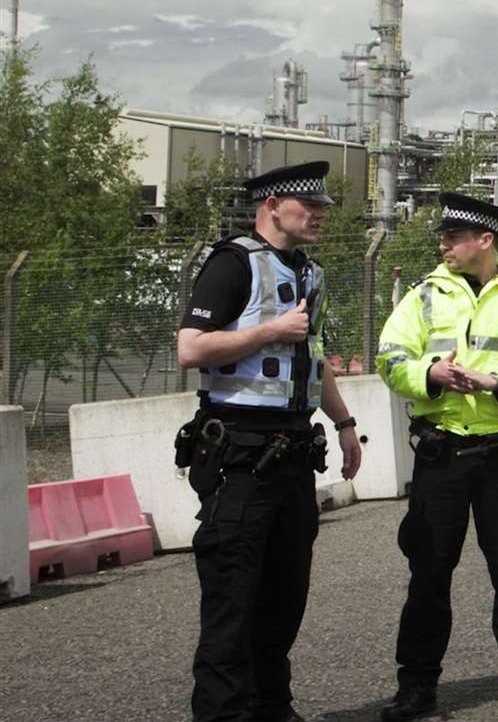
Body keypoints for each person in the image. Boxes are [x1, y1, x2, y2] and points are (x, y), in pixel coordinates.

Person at [176, 160, 363, 722]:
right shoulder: (232, 263)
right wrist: (268, 331)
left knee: (284, 598)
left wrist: (345, 423)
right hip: (239, 455)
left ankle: (272, 708)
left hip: (292, 455)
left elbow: (311, 360)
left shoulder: (310, 273)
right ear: (273, 204)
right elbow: (190, 349)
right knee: (232, 602)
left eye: (324, 207)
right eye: (310, 206)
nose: (321, 216)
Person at [375, 193, 498, 722]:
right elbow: (391, 357)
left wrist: (496, 381)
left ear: (485, 239)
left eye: (453, 237)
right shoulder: (424, 294)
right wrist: (429, 375)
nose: (444, 244)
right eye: (444, 237)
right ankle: (416, 686)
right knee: (429, 570)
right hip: (442, 450)